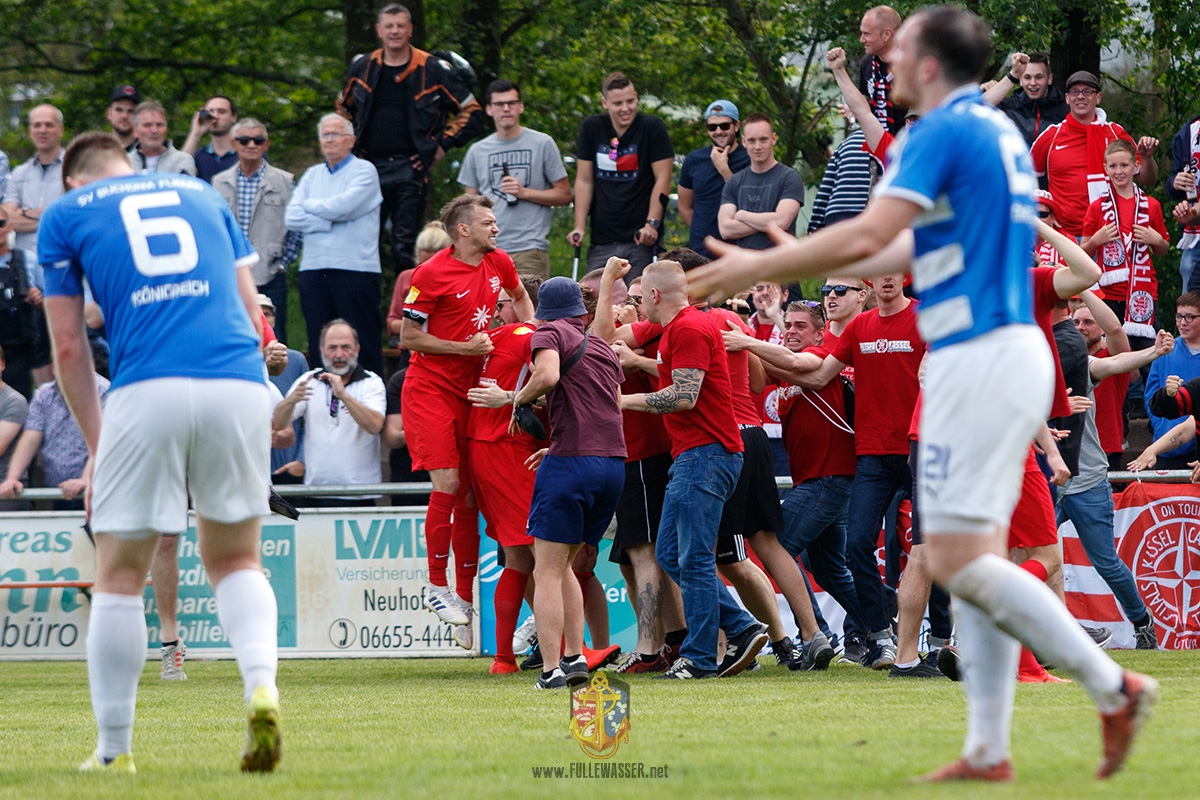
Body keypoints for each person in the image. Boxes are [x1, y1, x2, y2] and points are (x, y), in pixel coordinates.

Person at [688, 6, 1156, 781]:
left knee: (960, 559)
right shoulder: (991, 130)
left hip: (978, 356)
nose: (888, 62)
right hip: (997, 353)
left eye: (899, 50)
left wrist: (765, 263)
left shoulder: (942, 131)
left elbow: (876, 233)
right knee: (964, 558)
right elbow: (910, 241)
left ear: (930, 64)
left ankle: (1110, 687)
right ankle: (992, 746)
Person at [40, 131, 281, 773]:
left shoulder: (66, 212)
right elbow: (252, 314)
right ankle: (261, 686)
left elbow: (69, 348)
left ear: (73, 179)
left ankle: (114, 750)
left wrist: (100, 447)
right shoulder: (203, 193)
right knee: (237, 559)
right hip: (238, 380)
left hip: (146, 387)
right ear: (126, 163)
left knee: (120, 575)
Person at [619, 260, 767, 679]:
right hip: (696, 456)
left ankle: (700, 657)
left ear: (653, 295)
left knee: (695, 557)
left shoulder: (686, 328)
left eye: (639, 297)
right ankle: (741, 626)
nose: (638, 305)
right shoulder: (679, 329)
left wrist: (623, 402)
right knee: (670, 553)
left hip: (705, 455)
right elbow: (680, 380)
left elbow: (684, 396)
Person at [398, 195, 533, 627]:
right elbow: (409, 338)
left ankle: (463, 595)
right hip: (430, 387)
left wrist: (533, 339)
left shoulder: (499, 261)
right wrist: (464, 348)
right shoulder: (429, 273)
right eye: (488, 222)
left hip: (472, 389)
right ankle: (436, 586)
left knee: (470, 495)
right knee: (450, 484)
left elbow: (521, 298)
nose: (496, 228)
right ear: (463, 230)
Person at [497, 277, 626, 688]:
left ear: (542, 312)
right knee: (566, 564)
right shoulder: (601, 346)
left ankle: (550, 669)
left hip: (572, 465)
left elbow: (549, 375)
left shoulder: (549, 333)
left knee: (547, 570)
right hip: (611, 465)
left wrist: (518, 399)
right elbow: (607, 407)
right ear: (581, 313)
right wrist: (557, 446)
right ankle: (575, 658)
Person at [336, 2, 483, 272]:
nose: (395, 31)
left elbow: (471, 112)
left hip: (411, 167)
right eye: (389, 26)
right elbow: (341, 110)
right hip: (367, 166)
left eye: (400, 26)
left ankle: (411, 296)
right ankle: (370, 300)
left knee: (406, 244)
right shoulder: (363, 67)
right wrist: (348, 150)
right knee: (363, 241)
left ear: (410, 29)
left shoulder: (433, 68)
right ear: (379, 30)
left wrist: (440, 146)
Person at [463, 276, 545, 670]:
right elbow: (554, 380)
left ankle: (504, 657)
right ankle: (571, 650)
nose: (495, 311)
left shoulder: (493, 339)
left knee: (518, 559)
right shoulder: (526, 336)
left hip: (483, 446)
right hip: (508, 448)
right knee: (546, 553)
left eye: (502, 303)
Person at [285, 114, 384, 374]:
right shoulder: (312, 175)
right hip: (313, 268)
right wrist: (329, 221)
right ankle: (324, 394)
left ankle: (369, 397)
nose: (329, 140)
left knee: (362, 340)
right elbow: (291, 217)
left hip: (356, 269)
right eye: (325, 135)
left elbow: (345, 206)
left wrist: (310, 205)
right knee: (320, 342)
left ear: (351, 140)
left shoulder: (364, 171)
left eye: (335, 134)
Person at [458, 79, 571, 280]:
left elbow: (564, 195)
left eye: (511, 103)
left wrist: (524, 193)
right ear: (489, 109)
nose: (506, 109)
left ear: (521, 106)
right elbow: (468, 206)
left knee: (529, 301)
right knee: (488, 302)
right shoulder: (477, 151)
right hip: (487, 249)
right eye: (499, 104)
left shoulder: (542, 143)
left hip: (530, 248)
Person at [568, 72, 674, 280]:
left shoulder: (652, 128)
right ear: (605, 103)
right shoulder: (592, 127)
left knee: (639, 293)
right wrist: (579, 226)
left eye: (630, 101)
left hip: (641, 239)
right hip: (603, 238)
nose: (625, 108)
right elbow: (584, 180)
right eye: (618, 103)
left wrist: (652, 224)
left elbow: (663, 179)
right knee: (594, 293)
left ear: (636, 97)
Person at [1031, 71, 1159, 238]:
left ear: (1098, 97)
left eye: (1087, 91)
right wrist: (1042, 216)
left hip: (1112, 234)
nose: (1080, 96)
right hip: (1066, 236)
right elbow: (1022, 177)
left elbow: (1148, 179)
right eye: (1075, 92)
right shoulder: (1052, 135)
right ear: (1067, 98)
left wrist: (1147, 158)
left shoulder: (1115, 132)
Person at [273, 320, 385, 506]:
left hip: (361, 494)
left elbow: (375, 426)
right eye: (332, 348)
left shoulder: (372, 382)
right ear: (321, 350)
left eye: (346, 347)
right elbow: (278, 423)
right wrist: (290, 401)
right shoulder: (309, 380)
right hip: (316, 492)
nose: (339, 354)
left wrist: (343, 396)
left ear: (357, 350)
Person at [213, 118, 302, 345]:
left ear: (266, 144)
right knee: (230, 335)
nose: (251, 145)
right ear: (233, 144)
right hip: (230, 274)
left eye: (258, 140)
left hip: (271, 274)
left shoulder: (285, 181)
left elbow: (296, 228)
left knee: (275, 339)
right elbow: (212, 228)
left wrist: (282, 265)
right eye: (244, 140)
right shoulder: (218, 182)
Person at [1079, 139, 1169, 343]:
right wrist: (1096, 240)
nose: (1118, 171)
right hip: (1108, 294)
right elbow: (1082, 254)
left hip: (1144, 292)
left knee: (1146, 351)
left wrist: (1156, 240)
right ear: (1105, 169)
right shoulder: (1097, 207)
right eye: (1113, 166)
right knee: (1112, 352)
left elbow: (1163, 249)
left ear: (1136, 166)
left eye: (1124, 165)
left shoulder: (1151, 205)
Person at [0, 371, 109, 509]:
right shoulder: (45, 394)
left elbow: (103, 441)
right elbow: (29, 441)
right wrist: (12, 478)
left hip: (98, 491)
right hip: (61, 491)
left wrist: (85, 479)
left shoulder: (104, 391)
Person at [717, 114, 805, 251]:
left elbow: (782, 222)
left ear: (773, 139)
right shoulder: (734, 182)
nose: (757, 146)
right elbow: (725, 229)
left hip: (781, 261)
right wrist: (768, 222)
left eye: (763, 139)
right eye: (751, 140)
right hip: (745, 262)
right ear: (744, 142)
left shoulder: (789, 178)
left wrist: (742, 215)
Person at [678, 100, 751, 258]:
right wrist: (701, 231)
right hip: (701, 251)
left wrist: (724, 169)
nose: (718, 131)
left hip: (740, 250)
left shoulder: (750, 158)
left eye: (724, 126)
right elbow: (684, 206)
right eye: (712, 127)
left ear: (736, 126)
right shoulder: (694, 159)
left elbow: (750, 202)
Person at [1143, 291, 1200, 469]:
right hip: (1165, 445)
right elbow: (1151, 396)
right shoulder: (1166, 350)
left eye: (1190, 317)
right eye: (1179, 316)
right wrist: (1160, 426)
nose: (1182, 322)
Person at [3, 105, 65, 254]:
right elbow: (7, 219)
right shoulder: (19, 174)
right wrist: (53, 217)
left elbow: (71, 215)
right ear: (30, 131)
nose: (42, 130)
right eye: (37, 125)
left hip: (63, 260)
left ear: (61, 130)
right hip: (25, 263)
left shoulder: (75, 169)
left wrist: (24, 212)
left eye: (49, 125)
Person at [261, 295, 308, 484]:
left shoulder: (264, 385)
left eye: (267, 314)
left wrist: (301, 459)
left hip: (267, 474)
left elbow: (287, 430)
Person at [985, 53, 1069, 146]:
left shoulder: (1066, 111)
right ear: (1020, 80)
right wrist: (1013, 74)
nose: (1033, 83)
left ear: (1049, 79)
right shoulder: (1010, 107)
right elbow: (979, 107)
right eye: (1027, 77)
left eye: (1039, 77)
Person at [857, 6, 907, 134]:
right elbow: (866, 97)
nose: (861, 40)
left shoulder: (911, 62)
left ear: (887, 34)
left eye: (867, 34)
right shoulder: (867, 63)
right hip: (878, 141)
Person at [1166, 109, 1200, 291]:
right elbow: (1172, 189)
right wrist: (1175, 182)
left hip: (1195, 216)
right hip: (1195, 233)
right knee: (1190, 297)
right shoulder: (1188, 133)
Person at [128, 101, 197, 175]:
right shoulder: (125, 162)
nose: (154, 130)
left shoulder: (182, 160)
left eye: (159, 125)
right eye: (147, 125)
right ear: (135, 131)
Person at [182, 94, 239, 183]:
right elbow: (178, 172)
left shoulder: (247, 152)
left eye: (222, 112)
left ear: (234, 117)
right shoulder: (198, 156)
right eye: (211, 112)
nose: (215, 116)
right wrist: (195, 133)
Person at [106, 85, 140, 150]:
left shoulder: (148, 151)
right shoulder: (96, 149)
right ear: (109, 113)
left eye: (131, 111)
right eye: (119, 110)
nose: (124, 116)